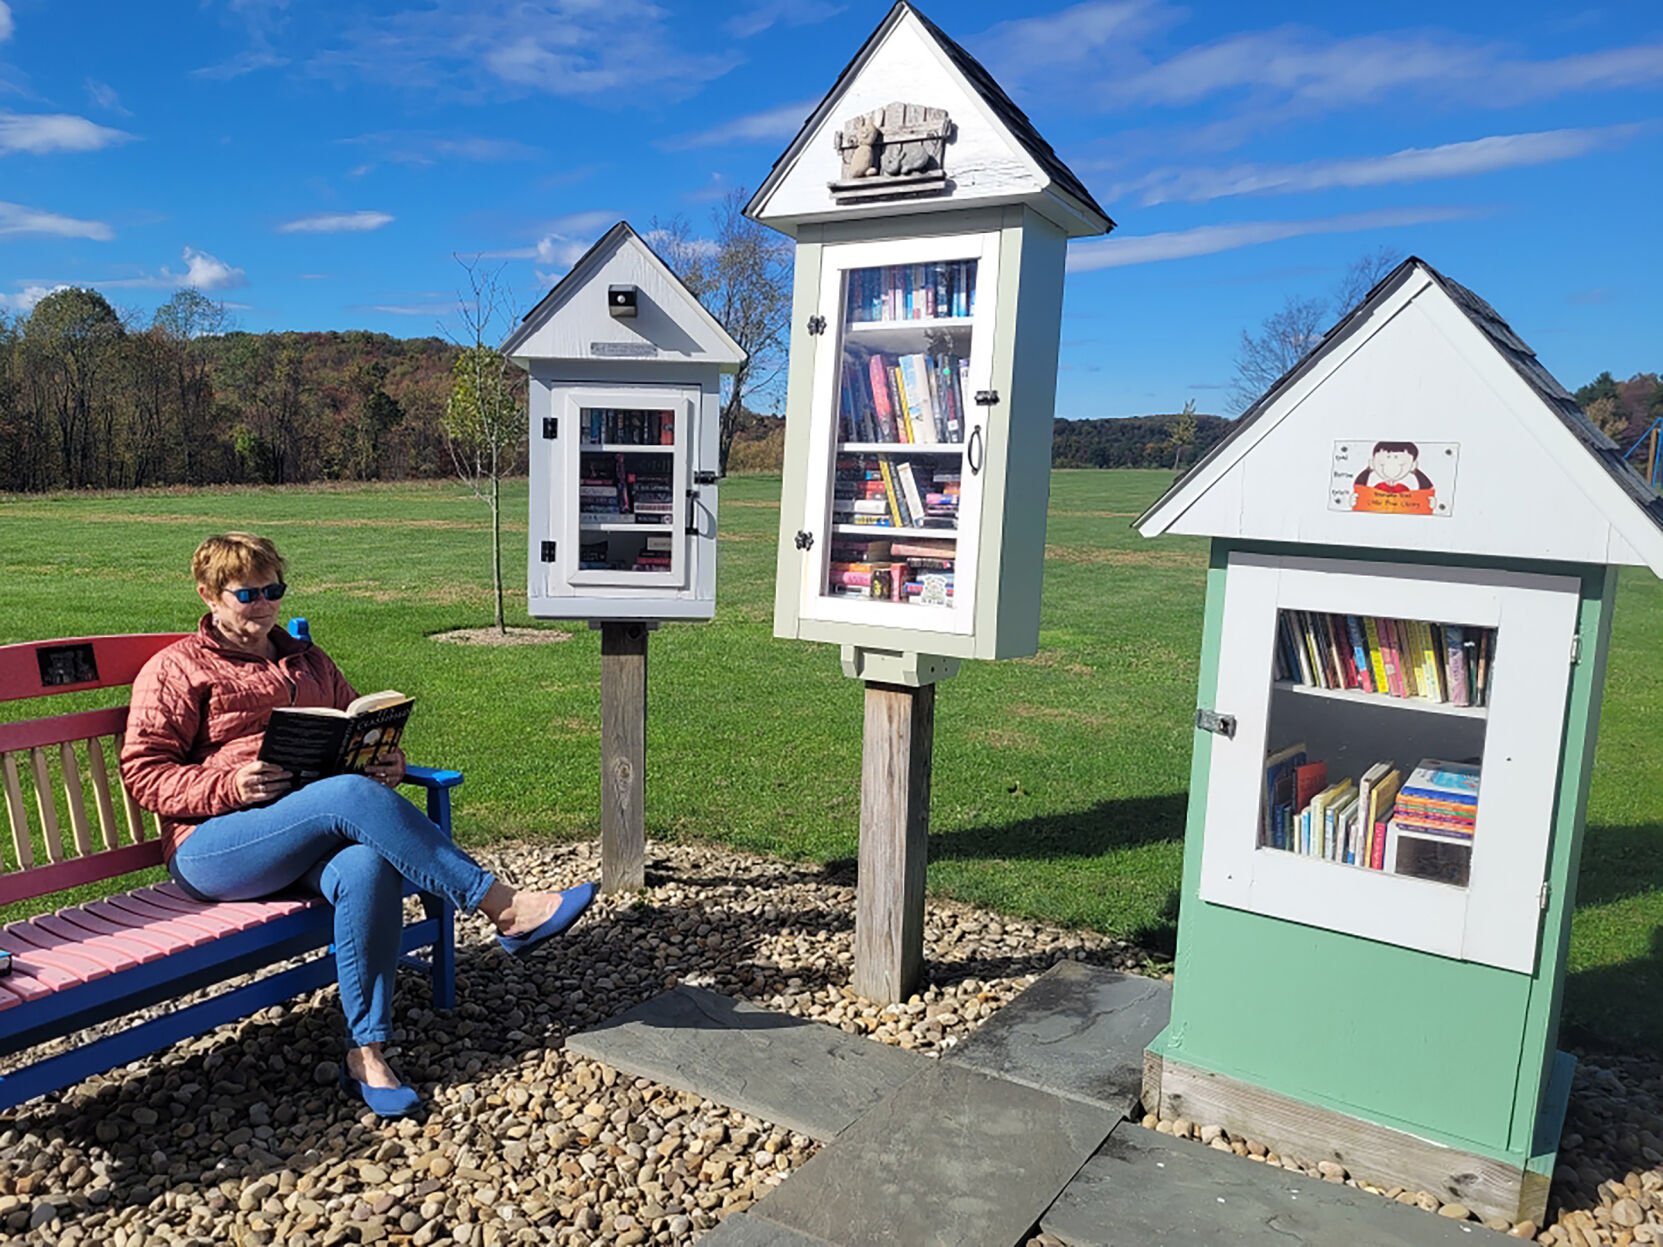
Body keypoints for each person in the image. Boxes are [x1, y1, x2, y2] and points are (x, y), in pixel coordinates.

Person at [120, 532, 596, 1118]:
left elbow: (350, 722)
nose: (265, 604)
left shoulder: (307, 658)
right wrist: (230, 784)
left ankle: (366, 1053)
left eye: (275, 590)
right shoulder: (176, 669)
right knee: (344, 794)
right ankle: (502, 906)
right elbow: (144, 773)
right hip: (217, 846)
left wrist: (382, 757)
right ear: (210, 596)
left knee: (366, 865)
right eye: (249, 594)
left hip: (307, 834)